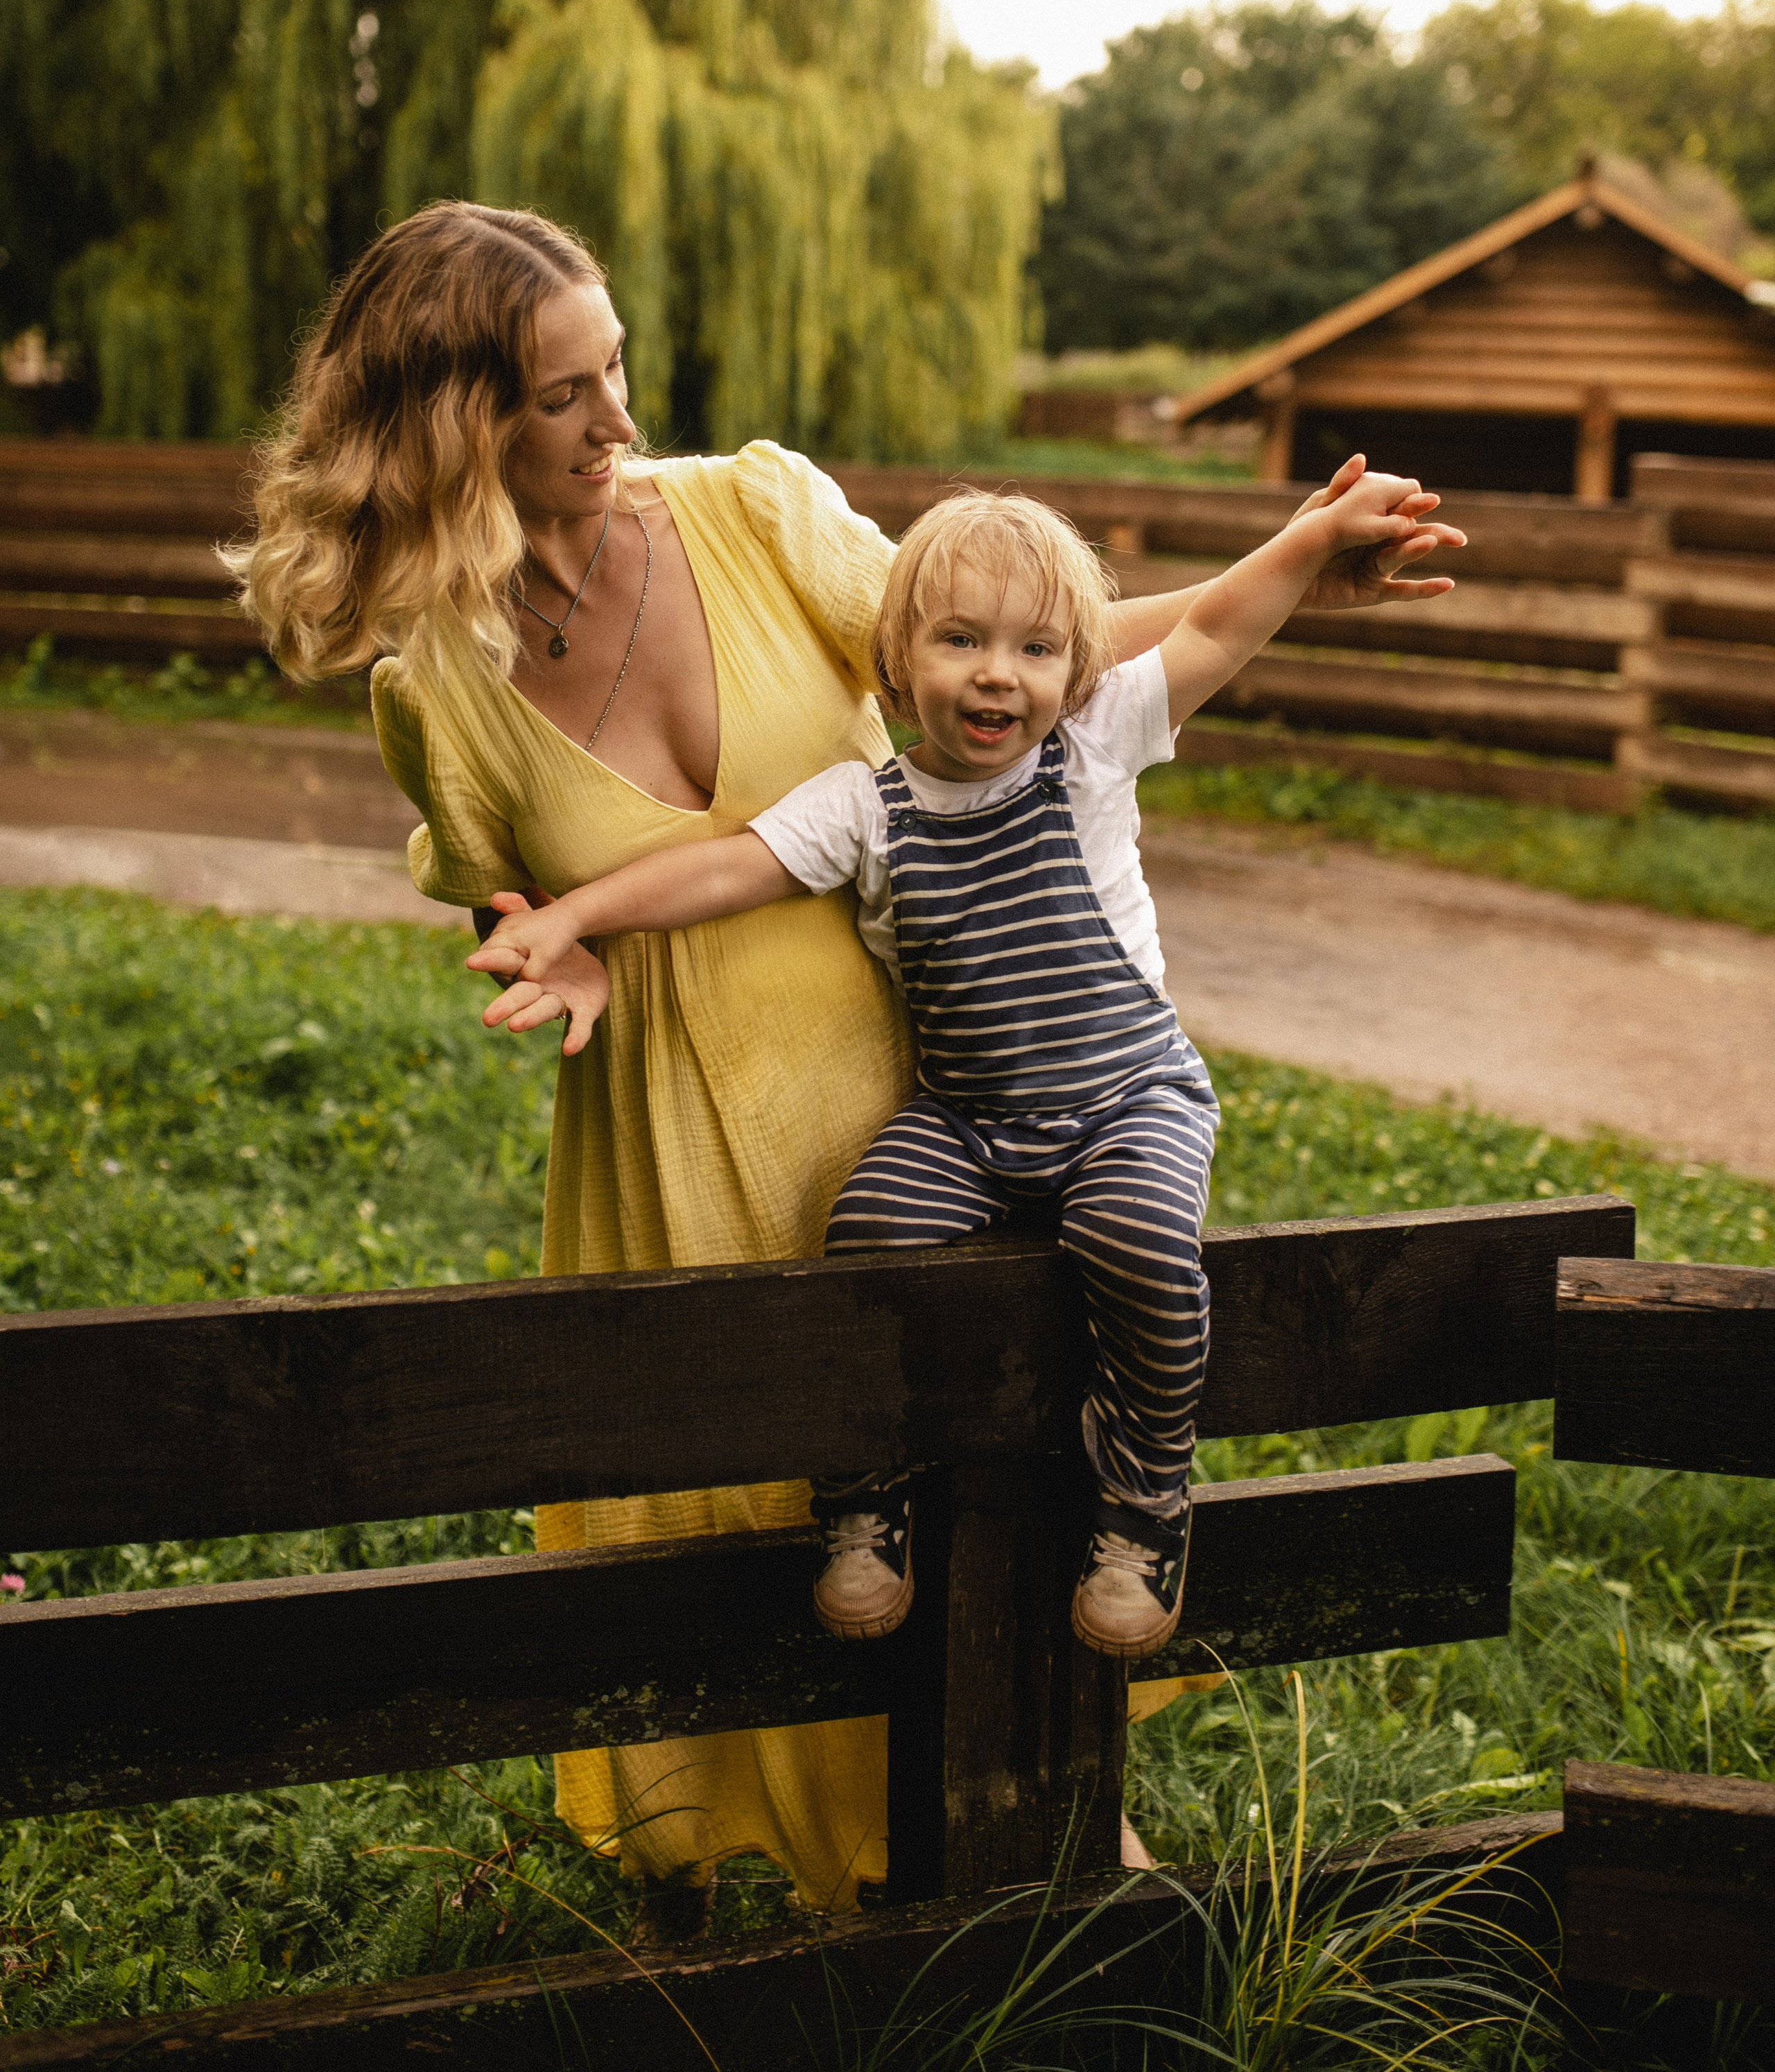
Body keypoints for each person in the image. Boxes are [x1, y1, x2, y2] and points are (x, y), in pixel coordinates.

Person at [239, 198, 1463, 1917]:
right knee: (764, 1517)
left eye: (613, 370)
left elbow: (1007, 639)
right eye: (562, 396)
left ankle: (1053, 1873)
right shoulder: (433, 684)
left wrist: (1283, 574)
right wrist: (558, 934)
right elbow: (511, 892)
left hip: (918, 1090)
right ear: (455, 426)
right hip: (676, 1142)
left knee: (982, 1450)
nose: (615, 421)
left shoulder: (751, 514)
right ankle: (786, 1915)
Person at [469, 475, 1453, 1673]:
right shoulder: (869, 807)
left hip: (1128, 1097)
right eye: (961, 641)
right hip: (970, 1121)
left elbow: (1213, 628)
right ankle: (864, 1498)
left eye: (1038, 649)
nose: (999, 676)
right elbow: (727, 869)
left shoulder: (1094, 747)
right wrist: (575, 916)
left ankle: (1144, 1499)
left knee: (1141, 1240)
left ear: (1079, 671)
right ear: (896, 660)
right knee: (868, 1236)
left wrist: (1306, 544)